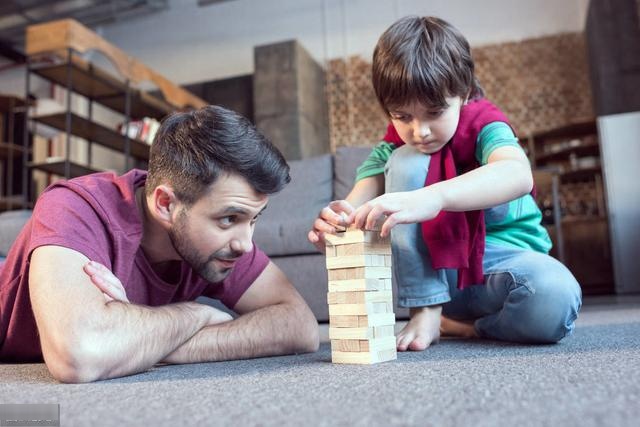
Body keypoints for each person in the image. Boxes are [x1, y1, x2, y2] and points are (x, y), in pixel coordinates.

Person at [309, 16, 582, 351]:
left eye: (434, 113)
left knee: (555, 296)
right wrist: (337, 227)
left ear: (464, 93)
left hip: (500, 273)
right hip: (439, 277)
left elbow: (517, 174)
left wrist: (432, 198)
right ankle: (425, 308)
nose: (419, 131)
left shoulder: (486, 127)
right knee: (406, 159)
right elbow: (354, 204)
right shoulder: (394, 148)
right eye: (402, 116)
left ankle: (465, 328)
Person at [0, 105, 319, 382]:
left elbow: (300, 327)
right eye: (229, 219)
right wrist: (196, 315)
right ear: (166, 204)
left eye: (254, 218)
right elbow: (79, 355)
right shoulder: (76, 207)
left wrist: (143, 341)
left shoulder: (218, 247)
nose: (246, 244)